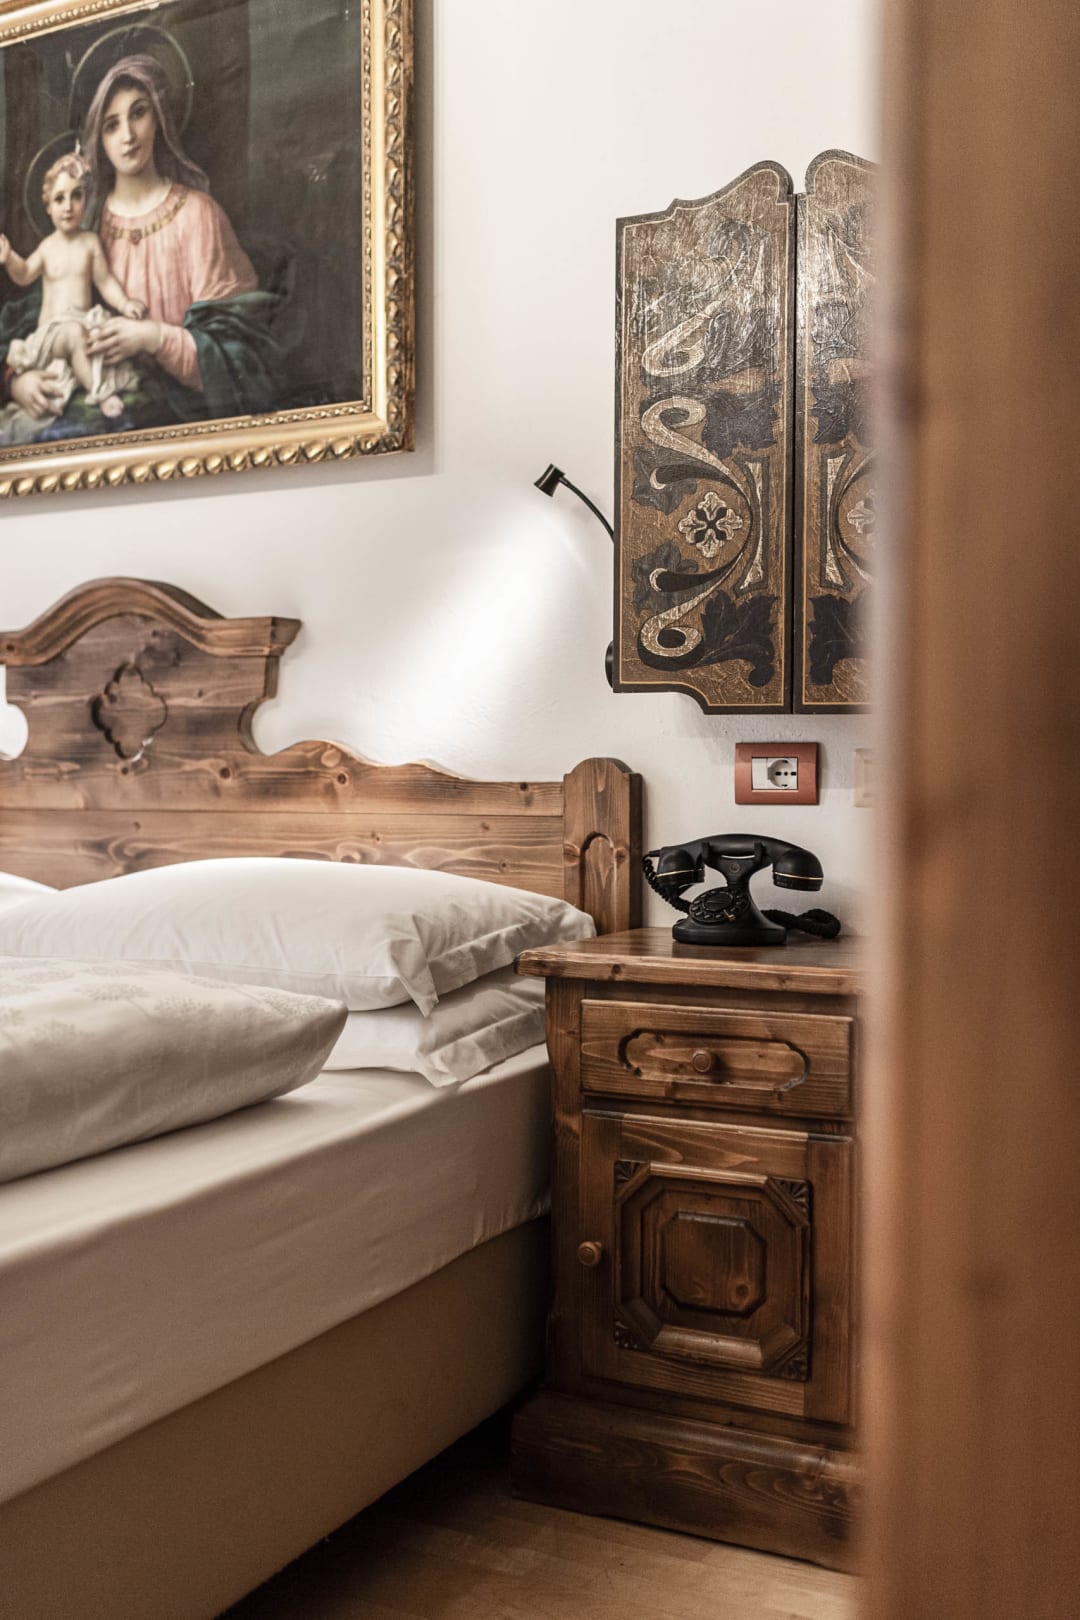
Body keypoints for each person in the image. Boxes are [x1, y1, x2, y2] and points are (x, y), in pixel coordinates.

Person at [3, 52, 286, 437]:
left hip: (183, 429)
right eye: (111, 125)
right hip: (96, 416)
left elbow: (240, 357)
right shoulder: (83, 227)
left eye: (138, 113)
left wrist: (154, 337)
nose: (128, 136)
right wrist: (17, 382)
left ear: (160, 116)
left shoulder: (198, 216)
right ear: (99, 139)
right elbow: (30, 324)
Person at [0, 147, 146, 425]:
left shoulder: (90, 243)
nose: (68, 206)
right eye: (59, 199)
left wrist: (125, 303)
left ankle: (87, 375)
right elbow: (24, 274)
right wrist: (9, 258)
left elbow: (105, 281)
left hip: (82, 324)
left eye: (76, 196)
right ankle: (100, 393)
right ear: (48, 207)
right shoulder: (47, 247)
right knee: (73, 333)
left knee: (99, 339)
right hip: (51, 336)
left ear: (85, 201)